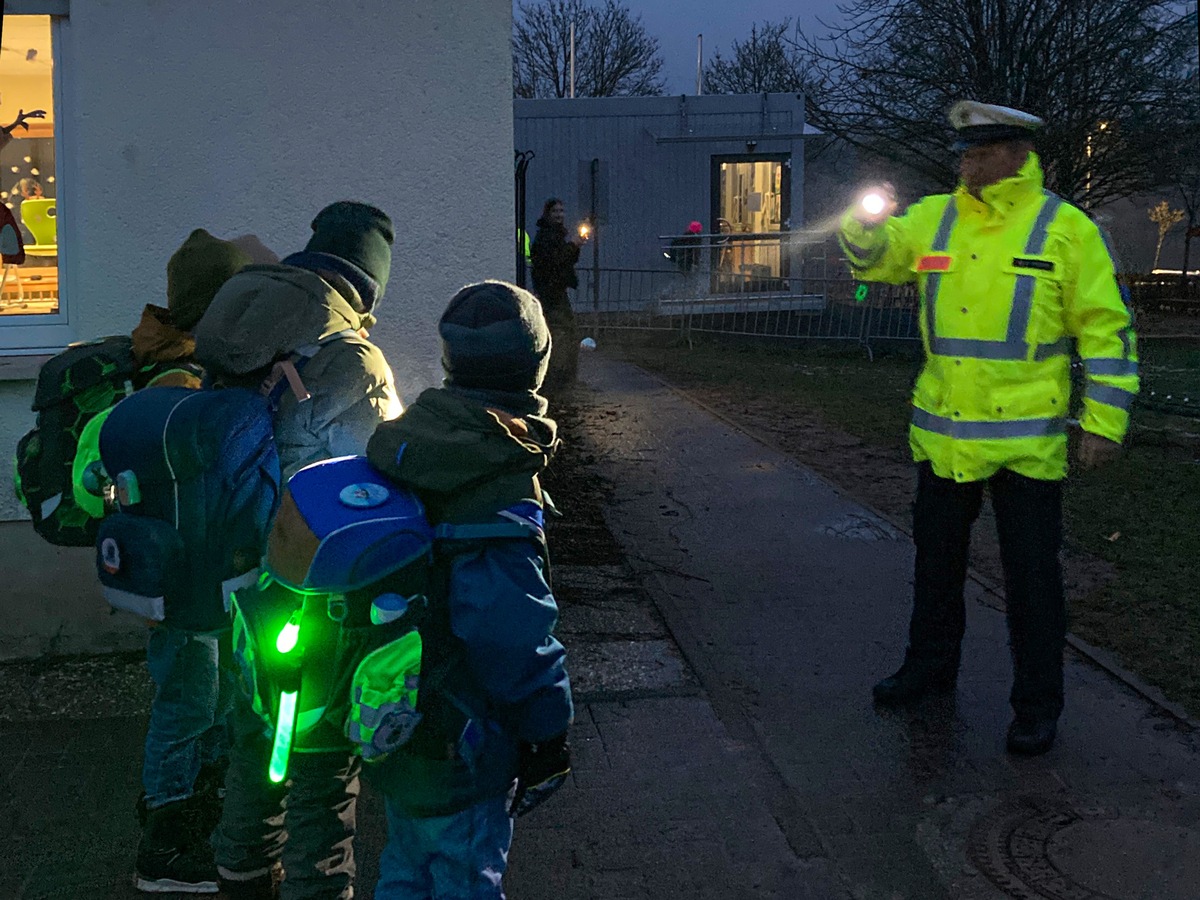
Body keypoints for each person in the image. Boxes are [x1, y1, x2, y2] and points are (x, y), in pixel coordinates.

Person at [839, 101, 1139, 756]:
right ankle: (929, 670)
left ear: (1016, 155)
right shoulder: (935, 219)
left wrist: (1104, 422)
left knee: (1033, 583)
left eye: (979, 153)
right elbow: (874, 262)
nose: (967, 164)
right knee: (935, 570)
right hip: (944, 438)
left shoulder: (1065, 229)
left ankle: (1037, 706)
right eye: (964, 154)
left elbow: (1107, 331)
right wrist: (865, 222)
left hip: (1025, 446)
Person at [194, 201, 400, 899]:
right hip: (316, 589)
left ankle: (242, 876)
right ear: (367, 283)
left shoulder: (241, 327)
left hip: (239, 577)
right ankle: (318, 887)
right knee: (323, 764)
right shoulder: (351, 358)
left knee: (256, 739)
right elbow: (370, 483)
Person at [363, 280, 574, 899]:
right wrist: (548, 729)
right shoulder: (494, 473)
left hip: (392, 708)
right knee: (465, 877)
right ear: (536, 364)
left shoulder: (411, 441)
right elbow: (508, 629)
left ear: (450, 357)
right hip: (465, 733)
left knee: (405, 867)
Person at [131, 229, 256, 894]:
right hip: (183, 586)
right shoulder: (180, 380)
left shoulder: (193, 367)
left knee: (211, 702)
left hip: (198, 581)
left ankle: (192, 821)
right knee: (186, 706)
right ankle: (164, 847)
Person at [530, 198, 586, 392]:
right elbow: (556, 261)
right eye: (555, 211)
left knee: (564, 332)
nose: (559, 215)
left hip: (555, 290)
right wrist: (573, 245)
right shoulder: (547, 236)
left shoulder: (555, 234)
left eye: (562, 211)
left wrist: (575, 246)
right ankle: (559, 379)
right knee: (562, 332)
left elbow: (566, 259)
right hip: (551, 292)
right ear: (547, 213)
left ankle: (561, 378)